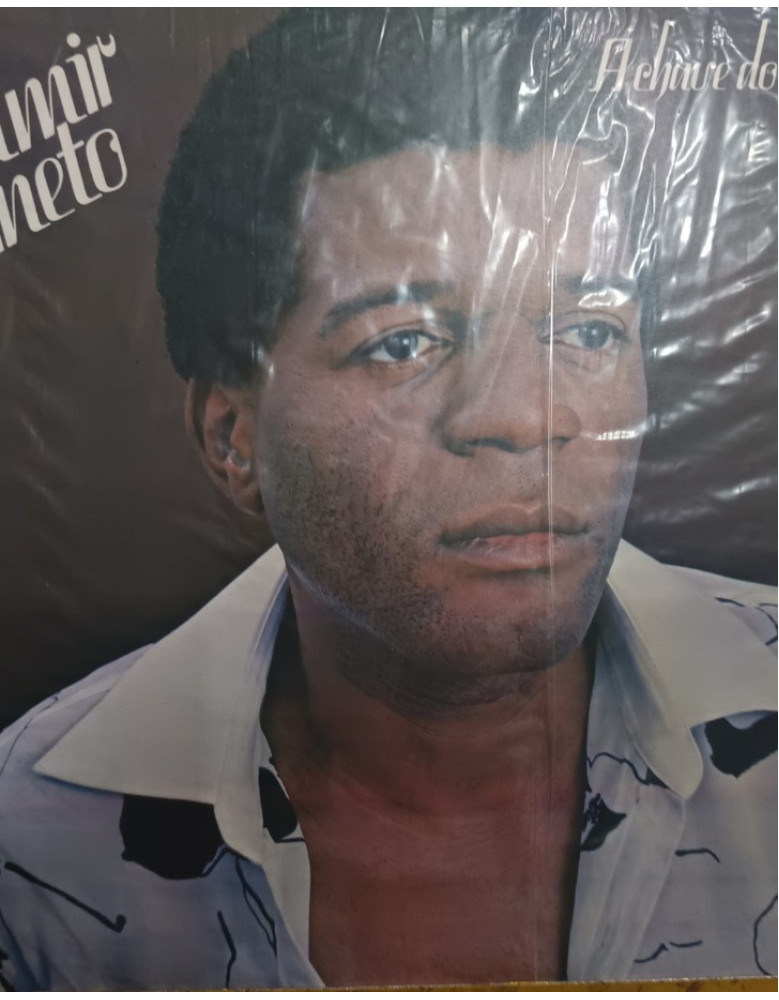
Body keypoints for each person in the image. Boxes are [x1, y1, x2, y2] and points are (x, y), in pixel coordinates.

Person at [0, 9, 775, 990]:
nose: (522, 419)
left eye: (586, 330)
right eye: (402, 342)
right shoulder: (32, 851)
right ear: (234, 438)